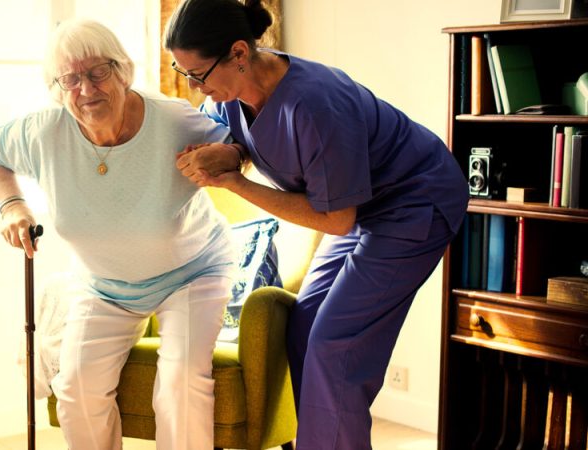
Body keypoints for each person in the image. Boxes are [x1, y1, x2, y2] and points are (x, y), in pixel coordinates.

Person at [163, 1, 469, 449]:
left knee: (336, 343)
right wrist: (229, 156)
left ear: (239, 53)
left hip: (414, 201)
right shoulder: (232, 95)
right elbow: (238, 141)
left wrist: (233, 183)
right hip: (362, 210)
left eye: (198, 74)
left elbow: (336, 219)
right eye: (181, 71)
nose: (192, 86)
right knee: (304, 327)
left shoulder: (315, 103)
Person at [0, 19, 240, 450]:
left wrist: (229, 155)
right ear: (57, 88)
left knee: (179, 384)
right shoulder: (44, 132)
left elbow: (241, 147)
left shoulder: (175, 121)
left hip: (192, 273)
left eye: (98, 72)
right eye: (70, 79)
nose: (85, 89)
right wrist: (12, 204)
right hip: (103, 284)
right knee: (77, 390)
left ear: (124, 71)